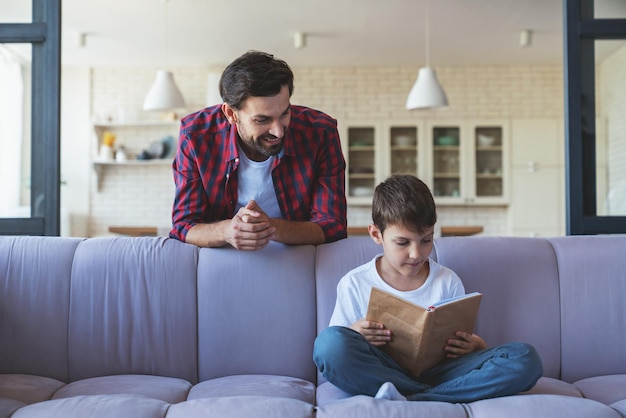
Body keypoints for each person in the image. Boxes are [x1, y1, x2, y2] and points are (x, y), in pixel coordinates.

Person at [313, 175, 543, 403]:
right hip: (382, 371)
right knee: (328, 345)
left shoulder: (447, 280)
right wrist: (356, 333)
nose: (417, 254)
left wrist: (475, 345)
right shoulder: (355, 282)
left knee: (525, 358)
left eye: (426, 240)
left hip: (442, 373)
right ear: (376, 234)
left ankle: (409, 397)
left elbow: (461, 343)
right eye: (403, 243)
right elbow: (338, 349)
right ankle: (433, 396)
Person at [169, 50, 347, 250]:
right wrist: (227, 231)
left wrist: (269, 227)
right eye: (262, 120)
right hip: (222, 258)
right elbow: (183, 226)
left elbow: (333, 226)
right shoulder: (195, 135)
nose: (278, 131)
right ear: (230, 114)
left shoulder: (320, 132)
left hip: (297, 258)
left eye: (285, 113)